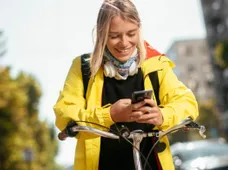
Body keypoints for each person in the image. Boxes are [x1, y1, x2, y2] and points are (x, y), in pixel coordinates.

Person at [53, 0, 199, 170]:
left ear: (139, 29)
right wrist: (110, 115)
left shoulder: (157, 65)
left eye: (131, 33)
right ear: (101, 34)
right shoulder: (83, 67)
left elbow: (188, 103)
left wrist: (162, 116)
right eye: (114, 36)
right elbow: (64, 113)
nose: (124, 43)